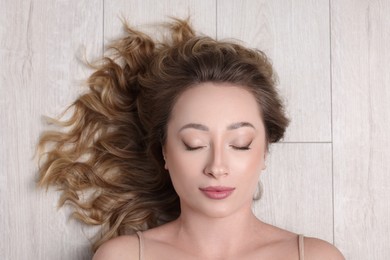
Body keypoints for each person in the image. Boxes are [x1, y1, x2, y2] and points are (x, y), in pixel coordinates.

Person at [37, 18, 344, 259]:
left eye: (240, 144)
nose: (217, 166)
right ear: (165, 153)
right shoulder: (124, 257)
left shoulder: (316, 257)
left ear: (264, 152)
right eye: (194, 144)